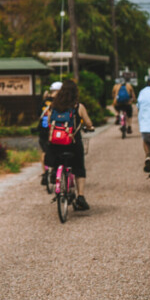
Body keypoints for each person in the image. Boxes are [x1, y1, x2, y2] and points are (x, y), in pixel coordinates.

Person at [44, 78, 94, 211]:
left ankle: (55, 171)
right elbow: (88, 123)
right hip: (72, 143)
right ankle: (81, 197)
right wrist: (90, 127)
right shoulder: (78, 107)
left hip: (55, 144)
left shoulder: (52, 106)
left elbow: (48, 121)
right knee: (79, 168)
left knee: (55, 157)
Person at [37, 80, 62, 186]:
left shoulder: (44, 101)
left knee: (44, 151)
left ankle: (44, 173)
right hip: (55, 130)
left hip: (43, 129)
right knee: (57, 150)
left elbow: (39, 114)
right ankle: (55, 171)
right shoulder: (60, 102)